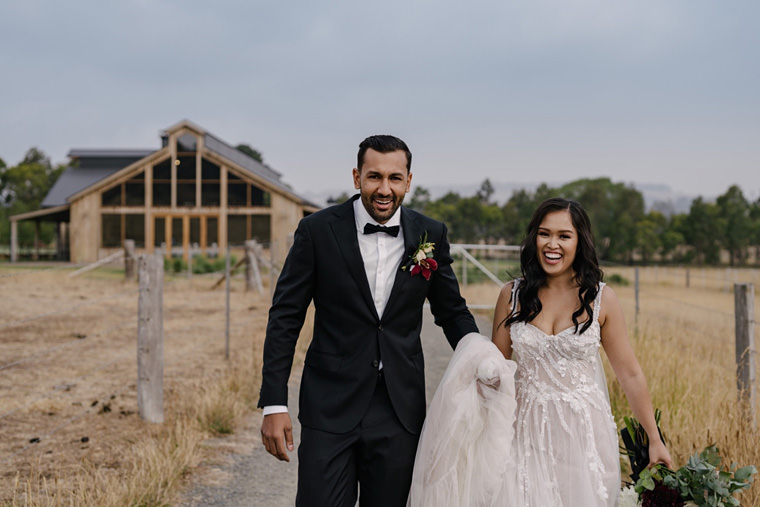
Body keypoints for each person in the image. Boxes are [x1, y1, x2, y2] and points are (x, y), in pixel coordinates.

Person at [258, 134, 479, 507]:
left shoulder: (430, 235)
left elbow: (452, 312)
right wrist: (274, 402)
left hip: (399, 410)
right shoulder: (317, 231)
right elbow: (286, 315)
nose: (384, 188)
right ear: (357, 176)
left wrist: (483, 359)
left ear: (408, 181)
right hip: (329, 403)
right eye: (374, 176)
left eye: (395, 178)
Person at [408, 197, 671, 507]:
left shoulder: (602, 299)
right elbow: (497, 368)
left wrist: (655, 439)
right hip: (524, 431)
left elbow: (629, 373)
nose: (552, 244)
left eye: (564, 236)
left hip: (584, 438)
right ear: (534, 237)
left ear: (580, 241)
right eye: (544, 233)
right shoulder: (512, 296)